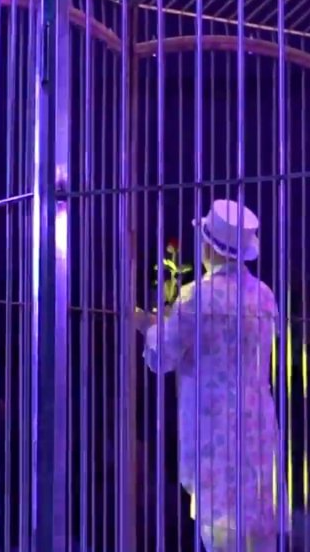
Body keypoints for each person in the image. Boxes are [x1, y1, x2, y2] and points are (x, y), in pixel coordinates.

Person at [136, 199, 282, 552]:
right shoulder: (264, 296)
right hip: (259, 434)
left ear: (208, 247)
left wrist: (145, 324)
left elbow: (161, 357)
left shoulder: (197, 297)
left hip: (213, 436)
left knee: (220, 533)